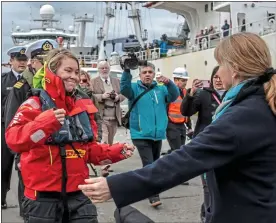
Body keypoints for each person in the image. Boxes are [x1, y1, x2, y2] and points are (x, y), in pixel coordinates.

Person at [79, 32, 276, 223]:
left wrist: (115, 186)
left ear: (234, 69)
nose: (219, 71)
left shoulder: (245, 113)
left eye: (220, 64)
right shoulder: (261, 104)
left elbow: (188, 159)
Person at [5, 48, 135, 223]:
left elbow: (88, 151)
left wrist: (116, 152)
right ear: (52, 71)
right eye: (68, 70)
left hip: (79, 194)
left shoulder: (81, 106)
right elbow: (14, 141)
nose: (74, 76)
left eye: (76, 72)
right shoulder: (33, 105)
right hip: (43, 199)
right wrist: (45, 123)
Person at [3, 39, 58, 216]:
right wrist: (18, 152)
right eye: (42, 60)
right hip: (29, 146)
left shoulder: (55, 85)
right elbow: (13, 121)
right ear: (33, 62)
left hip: (52, 147)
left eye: (48, 60)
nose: (45, 65)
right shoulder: (21, 87)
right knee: (27, 186)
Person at [119, 61, 179, 207]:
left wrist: (169, 83)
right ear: (139, 75)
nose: (147, 75)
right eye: (144, 72)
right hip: (140, 133)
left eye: (150, 72)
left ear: (154, 74)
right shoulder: (133, 88)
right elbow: (124, 88)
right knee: (149, 164)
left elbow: (174, 95)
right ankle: (153, 195)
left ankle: (144, 186)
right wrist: (126, 71)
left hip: (157, 134)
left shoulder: (161, 89)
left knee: (155, 164)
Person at [181, 66, 226, 222]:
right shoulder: (204, 95)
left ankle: (212, 210)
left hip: (226, 145)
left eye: (221, 77)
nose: (219, 80)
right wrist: (191, 94)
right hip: (206, 145)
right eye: (216, 77)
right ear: (211, 79)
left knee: (221, 184)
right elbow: (186, 112)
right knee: (208, 184)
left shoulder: (234, 95)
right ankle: (207, 215)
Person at [1, 46, 28, 209]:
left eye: (25, 60)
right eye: (19, 60)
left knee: (24, 168)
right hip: (6, 128)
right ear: (11, 61)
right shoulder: (3, 81)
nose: (22, 63)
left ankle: (24, 205)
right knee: (4, 165)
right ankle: (1, 197)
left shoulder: (30, 80)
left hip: (25, 130)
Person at [90, 61, 125, 145]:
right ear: (98, 70)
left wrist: (117, 97)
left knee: (110, 140)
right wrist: (102, 96)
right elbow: (90, 96)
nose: (104, 70)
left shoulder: (116, 81)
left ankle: (107, 157)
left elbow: (124, 94)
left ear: (110, 69)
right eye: (102, 68)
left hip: (114, 116)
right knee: (104, 140)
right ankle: (104, 157)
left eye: (106, 68)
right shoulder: (93, 82)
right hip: (101, 116)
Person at [79, 70, 102, 143]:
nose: (81, 82)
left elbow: (98, 118)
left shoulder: (93, 97)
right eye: (79, 80)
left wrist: (99, 136)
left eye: (84, 80)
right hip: (77, 134)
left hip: (91, 133)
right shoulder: (71, 96)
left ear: (88, 82)